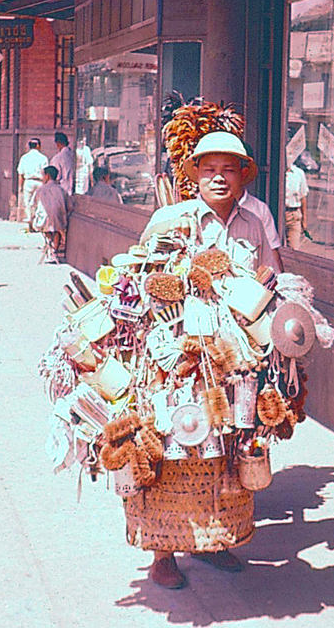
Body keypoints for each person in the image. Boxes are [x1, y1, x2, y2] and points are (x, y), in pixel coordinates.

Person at [134, 131, 277, 589]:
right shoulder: (169, 219)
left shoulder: (254, 222)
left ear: (242, 177)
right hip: (178, 355)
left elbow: (273, 278)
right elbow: (139, 281)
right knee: (174, 448)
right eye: (209, 168)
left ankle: (216, 541)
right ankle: (163, 551)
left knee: (228, 451)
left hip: (235, 357)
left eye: (229, 169)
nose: (219, 177)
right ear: (194, 174)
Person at [32, 165, 70, 257]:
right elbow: (69, 205)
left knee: (46, 225)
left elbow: (33, 204)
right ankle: (54, 248)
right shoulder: (61, 190)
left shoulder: (40, 190)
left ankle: (50, 244)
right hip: (59, 221)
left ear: (47, 176)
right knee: (57, 229)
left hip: (43, 221)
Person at [17, 138, 49, 231]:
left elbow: (20, 173)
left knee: (28, 203)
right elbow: (46, 173)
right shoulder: (43, 158)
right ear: (38, 146)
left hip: (28, 182)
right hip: (39, 182)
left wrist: (20, 187)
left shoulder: (24, 157)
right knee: (39, 203)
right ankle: (37, 224)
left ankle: (30, 222)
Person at [284, 159, 309, 250]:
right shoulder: (277, 173)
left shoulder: (298, 173)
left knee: (293, 249)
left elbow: (303, 197)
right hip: (278, 213)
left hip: (293, 215)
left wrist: (304, 220)